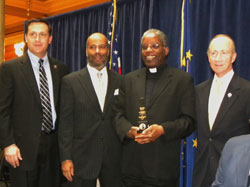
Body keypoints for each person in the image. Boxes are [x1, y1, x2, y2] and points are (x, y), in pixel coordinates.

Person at [113, 28, 195, 187]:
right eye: (145, 47)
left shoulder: (182, 80)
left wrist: (162, 130)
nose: (148, 50)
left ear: (166, 50)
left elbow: (189, 121)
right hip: (131, 169)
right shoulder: (128, 80)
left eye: (155, 46)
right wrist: (129, 131)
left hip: (163, 170)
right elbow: (117, 114)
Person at [0, 18, 69, 187]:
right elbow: (3, 110)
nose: (37, 39)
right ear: (25, 37)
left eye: (42, 35)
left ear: (50, 39)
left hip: (54, 148)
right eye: (33, 34)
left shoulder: (61, 69)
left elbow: (65, 109)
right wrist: (8, 144)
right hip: (22, 150)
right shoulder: (9, 69)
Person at [58, 32, 122, 187]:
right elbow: (65, 123)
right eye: (93, 47)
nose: (97, 51)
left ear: (108, 50)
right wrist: (65, 158)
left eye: (102, 47)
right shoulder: (70, 82)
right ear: (86, 51)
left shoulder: (120, 80)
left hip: (113, 158)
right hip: (81, 158)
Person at [192, 34, 250, 187]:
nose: (218, 58)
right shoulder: (199, 90)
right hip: (202, 172)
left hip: (233, 173)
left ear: (233, 57)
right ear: (208, 56)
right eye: (213, 53)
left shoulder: (246, 90)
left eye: (224, 53)